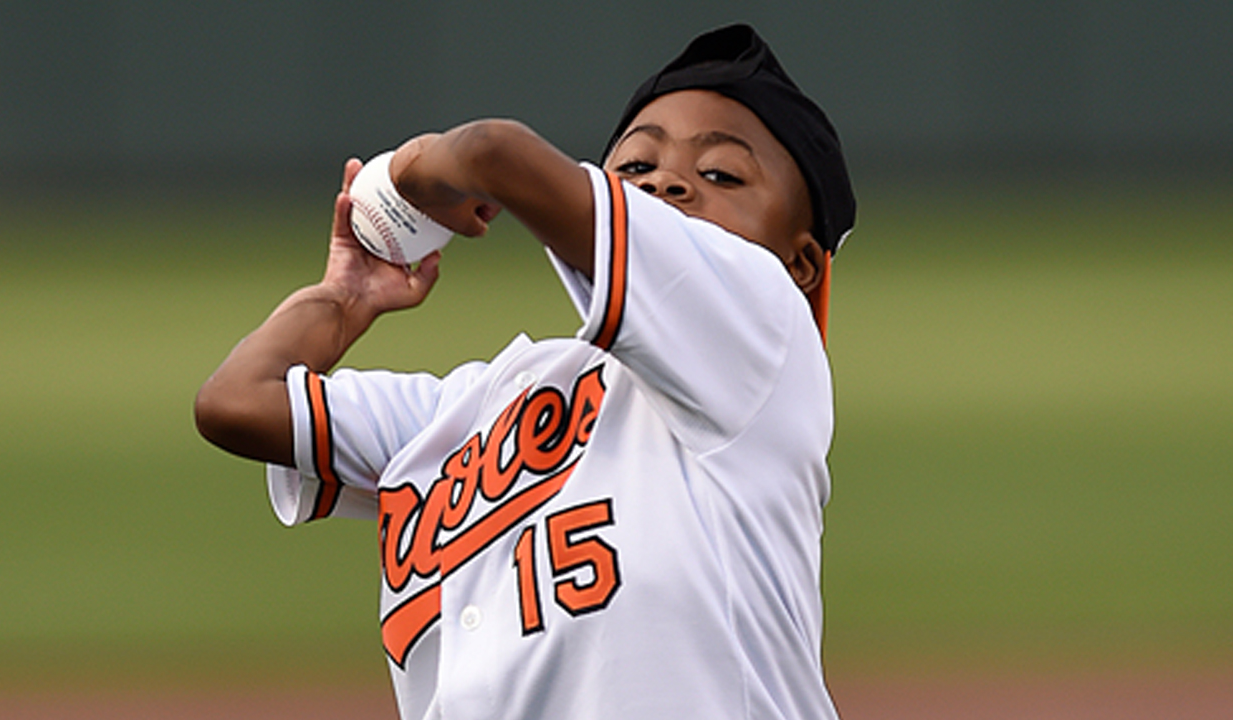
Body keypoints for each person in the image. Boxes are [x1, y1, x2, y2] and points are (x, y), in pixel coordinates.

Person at [195, 23, 856, 720]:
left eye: (721, 174)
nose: (666, 180)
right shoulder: (487, 401)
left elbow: (492, 153)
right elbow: (236, 403)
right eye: (634, 169)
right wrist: (343, 298)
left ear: (801, 265)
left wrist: (408, 173)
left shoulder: (761, 333)